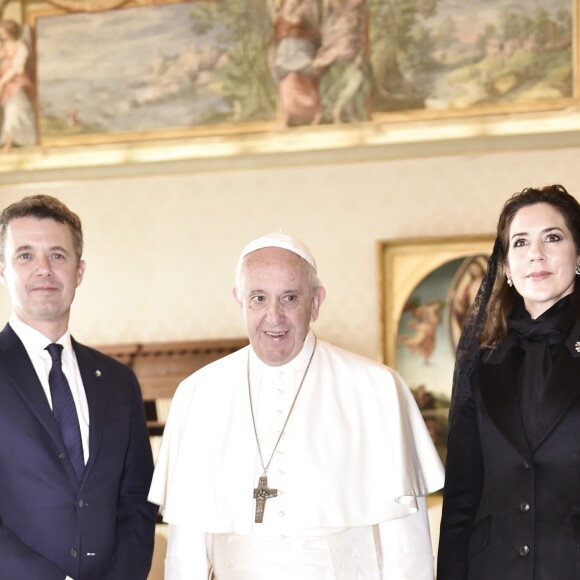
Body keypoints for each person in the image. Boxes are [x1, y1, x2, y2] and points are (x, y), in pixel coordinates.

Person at [149, 231, 444, 579]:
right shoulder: (198, 394)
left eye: (290, 297)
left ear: (316, 301)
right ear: (239, 301)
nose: (274, 317)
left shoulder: (376, 388)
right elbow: (186, 551)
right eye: (258, 298)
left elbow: (407, 548)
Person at [0, 195, 157, 579]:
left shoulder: (119, 382)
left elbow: (138, 500)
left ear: (79, 270)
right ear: (2, 270)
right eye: (25, 255)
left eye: (57, 255)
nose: (43, 269)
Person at [438, 184, 580, 579]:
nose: (535, 253)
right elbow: (462, 494)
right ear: (505, 266)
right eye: (520, 242)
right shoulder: (480, 358)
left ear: (579, 254)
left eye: (552, 237)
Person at [0, 20, 37, 152]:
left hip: (16, 84)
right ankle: (8, 142)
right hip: (5, 85)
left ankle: (10, 143)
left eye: (3, 31)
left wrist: (3, 81)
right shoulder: (3, 46)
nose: (1, 33)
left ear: (9, 32)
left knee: (14, 112)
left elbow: (17, 68)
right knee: (8, 113)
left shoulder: (21, 46)